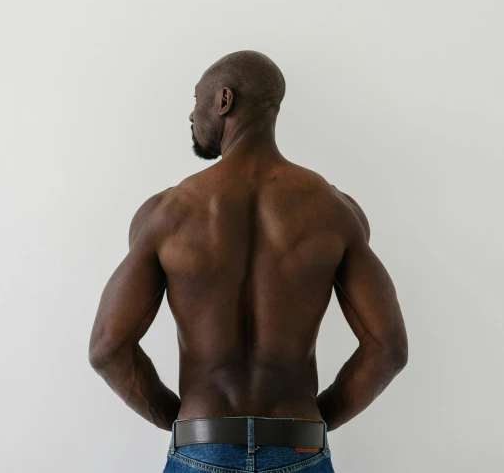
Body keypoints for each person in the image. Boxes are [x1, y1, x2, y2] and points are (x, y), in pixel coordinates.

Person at [88, 50, 408, 473]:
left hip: (202, 448)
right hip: (299, 445)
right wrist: (308, 425)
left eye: (197, 100)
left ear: (224, 101)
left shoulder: (167, 214)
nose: (191, 114)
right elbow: (388, 349)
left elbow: (107, 349)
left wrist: (190, 427)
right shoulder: (334, 211)